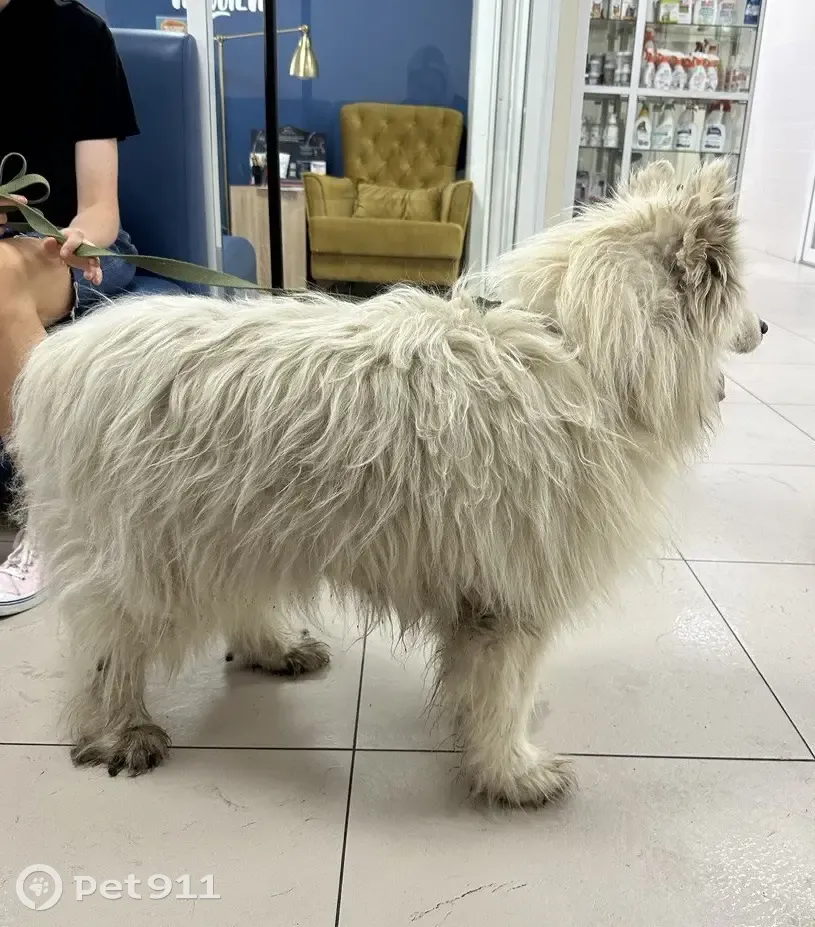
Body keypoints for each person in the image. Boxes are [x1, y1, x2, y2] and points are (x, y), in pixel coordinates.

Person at [0, 0, 140, 617]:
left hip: (70, 248)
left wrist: (78, 238)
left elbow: (100, 208)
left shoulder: (79, 35)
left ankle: (52, 518)